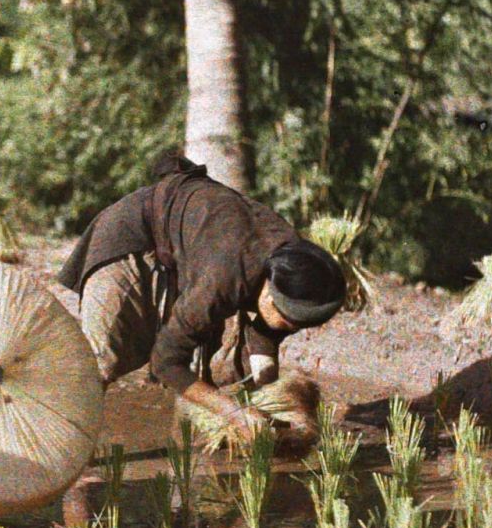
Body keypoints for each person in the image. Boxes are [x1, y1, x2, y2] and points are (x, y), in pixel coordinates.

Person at [58, 152, 346, 447]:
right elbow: (166, 362)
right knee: (101, 361)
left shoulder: (293, 262)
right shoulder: (226, 275)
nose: (288, 328)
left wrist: (267, 393)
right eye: (287, 321)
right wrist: (234, 412)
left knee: (205, 362)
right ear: (268, 292)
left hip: (192, 244)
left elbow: (266, 331)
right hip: (130, 234)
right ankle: (68, 453)